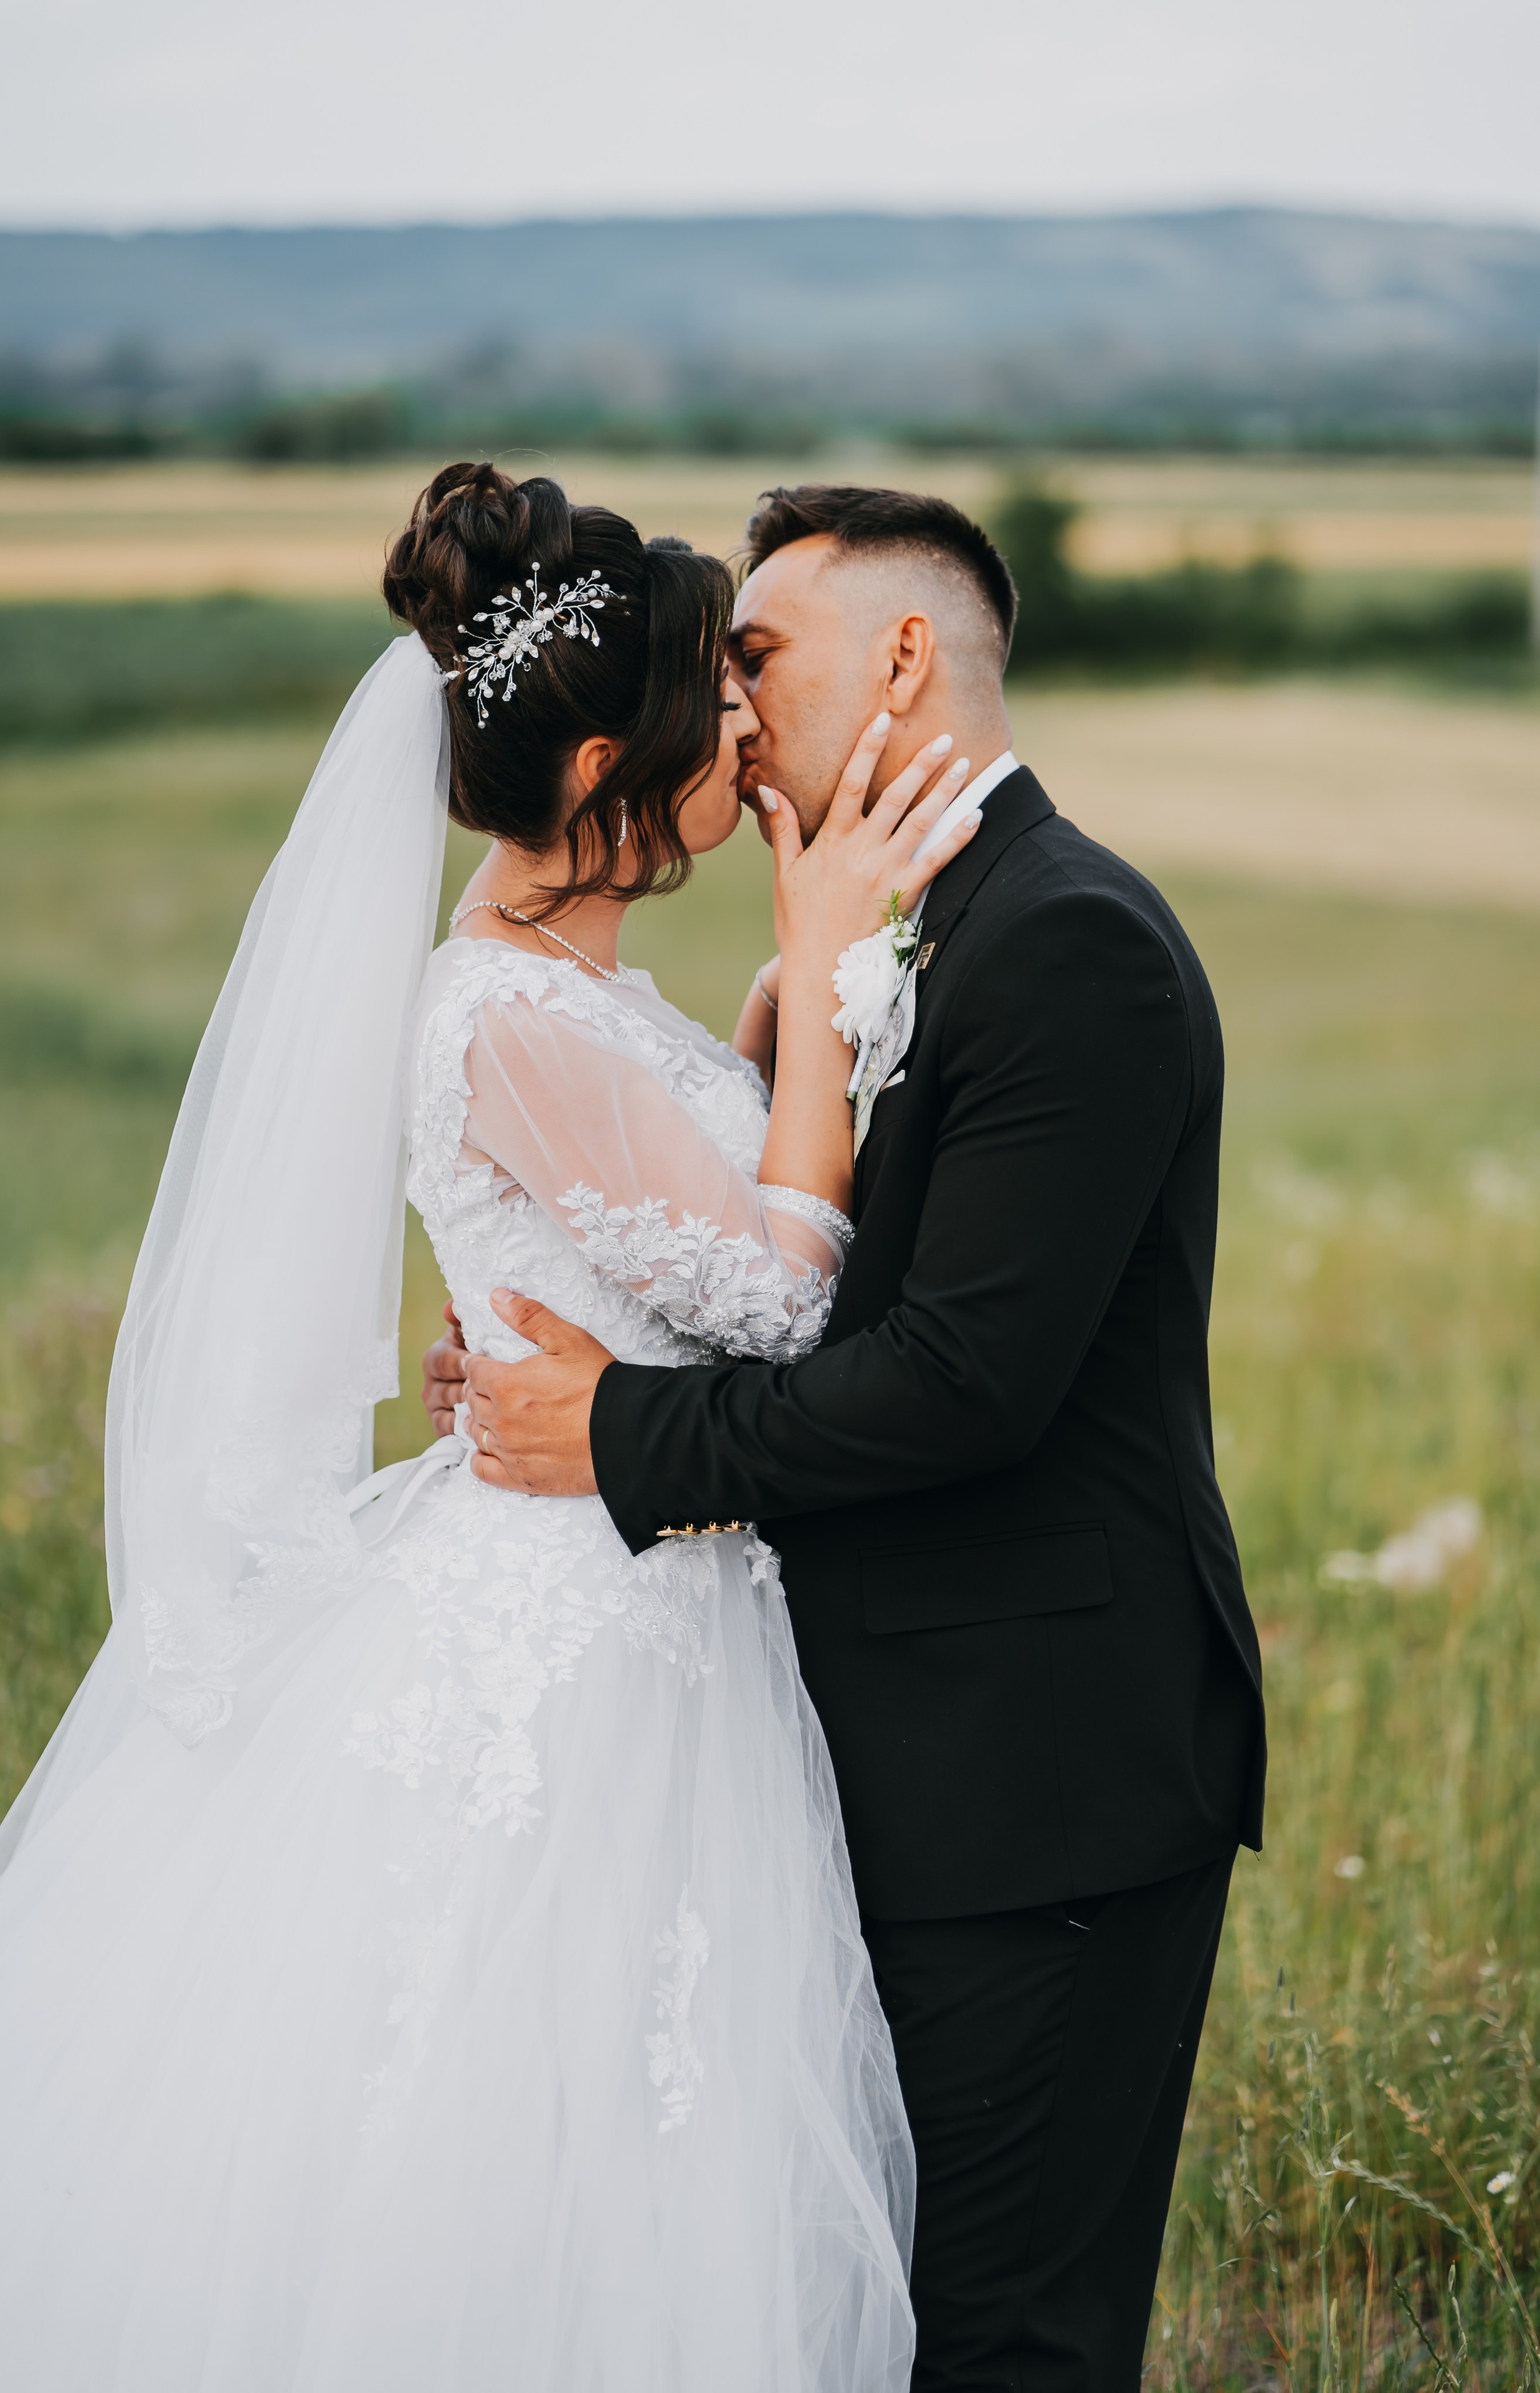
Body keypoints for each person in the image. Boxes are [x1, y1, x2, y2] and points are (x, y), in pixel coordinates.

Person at [0, 464, 984, 2391]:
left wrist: (772, 1034)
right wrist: (825, 979)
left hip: (638, 1576)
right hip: (582, 1637)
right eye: (714, 714)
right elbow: (780, 1301)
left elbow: (653, 1221)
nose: (748, 740)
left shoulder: (575, 996)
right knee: (525, 2105)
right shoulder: (513, 1015)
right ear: (602, 768)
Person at [425, 482, 1268, 2391]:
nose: (725, 707)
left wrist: (617, 1423)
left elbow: (963, 1382)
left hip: (1041, 1773)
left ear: (903, 661)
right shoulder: (892, 933)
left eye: (757, 657)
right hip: (853, 1750)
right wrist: (537, 1325)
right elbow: (743, 1240)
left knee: (1001, 2339)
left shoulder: (1065, 941)